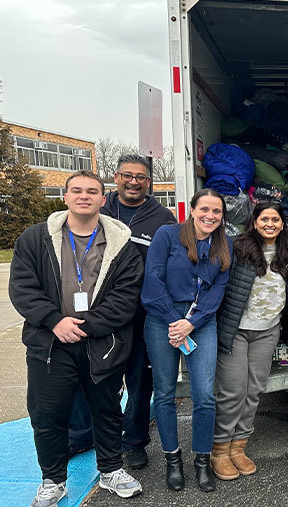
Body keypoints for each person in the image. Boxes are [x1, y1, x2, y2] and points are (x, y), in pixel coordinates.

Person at [9, 170, 144, 506]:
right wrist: (54, 321)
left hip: (102, 343)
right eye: (77, 191)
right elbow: (22, 289)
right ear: (65, 197)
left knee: (108, 410)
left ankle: (111, 470)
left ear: (103, 199)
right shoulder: (34, 239)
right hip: (51, 344)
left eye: (92, 191)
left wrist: (83, 325)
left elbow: (125, 299)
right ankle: (53, 480)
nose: (85, 196)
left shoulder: (122, 247)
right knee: (48, 414)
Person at [68, 154, 176, 469]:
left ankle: (134, 442)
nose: (133, 182)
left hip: (142, 315)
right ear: (115, 177)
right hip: (97, 312)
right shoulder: (97, 209)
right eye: (127, 175)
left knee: (140, 381)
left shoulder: (162, 218)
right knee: (89, 376)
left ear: (149, 181)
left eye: (141, 177)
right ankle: (82, 435)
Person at [141, 189, 233, 492]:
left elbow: (216, 292)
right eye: (204, 209)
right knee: (165, 392)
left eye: (217, 211)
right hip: (162, 319)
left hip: (201, 322)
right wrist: (174, 321)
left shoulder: (224, 244)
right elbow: (153, 282)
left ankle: (202, 462)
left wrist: (191, 323)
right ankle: (173, 460)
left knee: (205, 395)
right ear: (191, 210)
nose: (210, 216)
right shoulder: (167, 235)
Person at [213, 202, 288, 480]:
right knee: (233, 390)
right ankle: (219, 450)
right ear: (255, 221)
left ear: (283, 224)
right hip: (236, 329)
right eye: (264, 219)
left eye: (276, 219)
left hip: (268, 330)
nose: (270, 223)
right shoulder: (238, 248)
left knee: (255, 390)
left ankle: (239, 447)